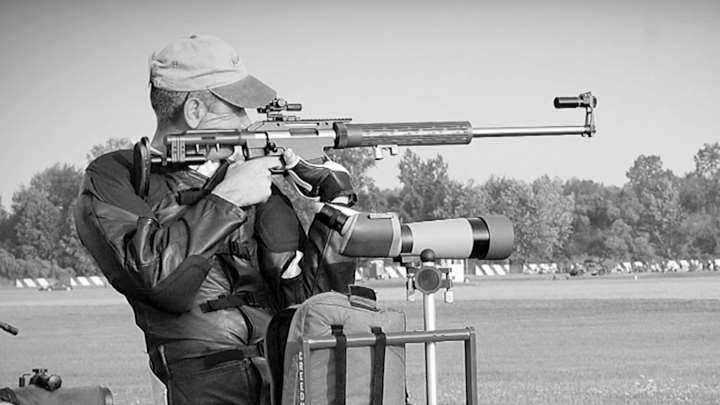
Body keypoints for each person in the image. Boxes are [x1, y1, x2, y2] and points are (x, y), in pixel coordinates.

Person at [74, 34, 356, 405]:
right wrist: (229, 197)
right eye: (236, 109)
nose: (247, 121)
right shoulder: (115, 176)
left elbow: (313, 305)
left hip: (289, 382)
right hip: (206, 389)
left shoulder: (248, 179)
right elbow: (159, 280)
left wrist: (335, 207)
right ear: (194, 112)